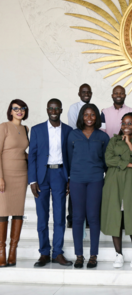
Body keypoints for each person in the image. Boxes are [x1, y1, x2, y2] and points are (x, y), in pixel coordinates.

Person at [101, 113, 132, 268]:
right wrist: (130, 164)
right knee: (116, 217)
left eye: (130, 124)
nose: (126, 126)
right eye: (124, 123)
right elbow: (108, 160)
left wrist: (129, 143)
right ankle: (119, 254)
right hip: (114, 181)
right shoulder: (113, 140)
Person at [28, 99, 73, 267]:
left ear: (61, 110)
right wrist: (32, 180)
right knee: (42, 217)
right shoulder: (37, 130)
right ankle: (44, 253)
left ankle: (57, 253)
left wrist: (69, 178)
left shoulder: (68, 130)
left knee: (59, 216)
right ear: (47, 110)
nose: (54, 111)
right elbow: (31, 156)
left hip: (60, 174)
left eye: (57, 108)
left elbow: (70, 156)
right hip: (42, 176)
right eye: (51, 108)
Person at [67, 104, 109, 269]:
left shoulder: (103, 137)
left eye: (93, 114)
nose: (89, 117)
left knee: (93, 217)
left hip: (95, 179)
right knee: (77, 217)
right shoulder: (73, 135)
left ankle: (93, 255)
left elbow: (106, 161)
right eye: (86, 114)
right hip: (77, 179)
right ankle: (79, 255)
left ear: (97, 117)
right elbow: (69, 158)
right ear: (81, 117)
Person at [0, 100, 29, 267]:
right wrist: (0, 177)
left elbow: (22, 151)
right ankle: (1, 252)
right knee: (3, 212)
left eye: (22, 108)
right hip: (6, 174)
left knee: (18, 212)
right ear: (10, 111)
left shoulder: (26, 129)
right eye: (16, 108)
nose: (19, 111)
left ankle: (13, 252)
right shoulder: (3, 127)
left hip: (21, 175)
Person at [66, 83, 94, 228]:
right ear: (79, 93)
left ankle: (89, 219)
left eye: (88, 92)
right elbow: (73, 128)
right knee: (75, 187)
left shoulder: (93, 107)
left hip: (90, 149)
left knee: (90, 192)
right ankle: (72, 217)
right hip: (78, 146)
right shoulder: (73, 108)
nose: (86, 94)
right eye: (83, 92)